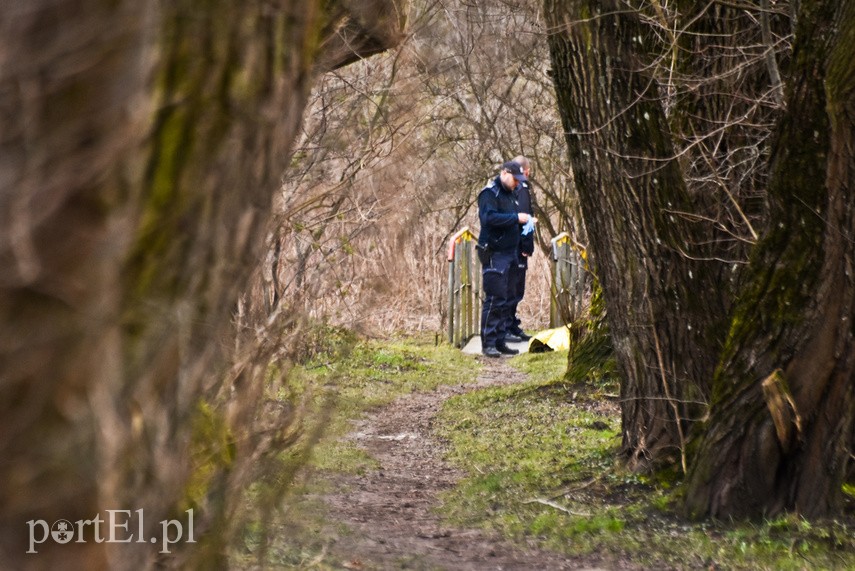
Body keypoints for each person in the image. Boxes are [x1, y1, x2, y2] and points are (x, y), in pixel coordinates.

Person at [477, 161, 534, 358]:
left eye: (519, 181)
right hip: (494, 252)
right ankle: (489, 342)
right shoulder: (489, 193)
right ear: (504, 173)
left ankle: (500, 340)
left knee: (506, 300)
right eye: (515, 180)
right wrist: (516, 218)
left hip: (511, 252)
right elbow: (488, 218)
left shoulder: (511, 195)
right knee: (494, 299)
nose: (517, 184)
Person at [506, 155, 534, 342]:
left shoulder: (508, 189)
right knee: (514, 288)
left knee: (512, 288)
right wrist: (527, 246)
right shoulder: (521, 190)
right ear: (526, 170)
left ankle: (510, 324)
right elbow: (525, 219)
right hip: (517, 247)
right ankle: (507, 327)